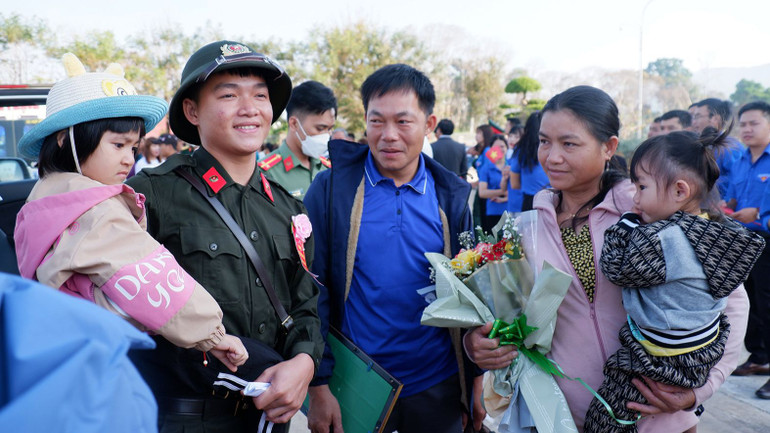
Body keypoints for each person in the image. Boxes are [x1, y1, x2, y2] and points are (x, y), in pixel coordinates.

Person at [465, 85, 749, 432]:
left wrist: (699, 391)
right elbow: (507, 317)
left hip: (658, 419)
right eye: (544, 141)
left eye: (569, 144)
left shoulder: (649, 208)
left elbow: (732, 301)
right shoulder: (525, 229)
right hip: (560, 419)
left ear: (609, 147)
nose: (552, 157)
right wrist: (479, 343)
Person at [126, 40, 324, 432]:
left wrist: (304, 362)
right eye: (229, 95)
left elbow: (305, 305)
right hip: (181, 419)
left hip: (268, 418)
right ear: (192, 111)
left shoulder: (288, 207)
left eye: (260, 96)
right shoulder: (153, 194)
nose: (250, 108)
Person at [14, 53, 247, 369]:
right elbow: (152, 278)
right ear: (65, 140)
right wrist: (212, 335)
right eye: (118, 145)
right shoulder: (96, 209)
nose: (129, 159)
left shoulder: (43, 199)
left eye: (133, 147)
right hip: (103, 354)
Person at [304, 63, 484, 433]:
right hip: (357, 383)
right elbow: (309, 288)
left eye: (403, 122)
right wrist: (319, 384)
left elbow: (473, 295)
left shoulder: (450, 198)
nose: (388, 135)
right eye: (377, 121)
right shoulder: (331, 190)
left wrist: (475, 379)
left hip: (437, 382)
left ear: (428, 124)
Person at [584, 130, 764, 432]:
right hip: (703, 352)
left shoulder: (666, 241)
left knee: (605, 418)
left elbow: (615, 267)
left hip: (659, 358)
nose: (635, 198)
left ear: (680, 191)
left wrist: (625, 224)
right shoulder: (715, 232)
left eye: (642, 187)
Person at [727, 101, 770, 399]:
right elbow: (733, 198)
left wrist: (757, 216)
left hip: (767, 239)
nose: (747, 129)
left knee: (768, 303)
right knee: (751, 299)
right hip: (744, 239)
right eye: (743, 124)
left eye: (754, 123)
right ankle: (759, 356)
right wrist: (726, 207)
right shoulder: (740, 159)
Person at [261, 80, 336, 199]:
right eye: (320, 128)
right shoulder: (266, 174)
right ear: (294, 124)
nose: (326, 135)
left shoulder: (329, 169)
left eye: (330, 129)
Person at [692, 98, 742, 197]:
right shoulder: (704, 144)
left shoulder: (729, 146)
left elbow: (736, 181)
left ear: (715, 118)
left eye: (698, 117)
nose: (694, 123)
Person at [504, 111, 549, 211]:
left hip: (529, 201)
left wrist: (529, 184)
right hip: (554, 199)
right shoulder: (554, 147)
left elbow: (514, 184)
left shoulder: (521, 150)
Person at [478, 134, 510, 230]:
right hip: (493, 211)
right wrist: (502, 192)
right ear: (491, 149)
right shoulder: (486, 168)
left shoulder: (512, 165)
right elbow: (482, 193)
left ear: (507, 148)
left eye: (502, 146)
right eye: (496, 147)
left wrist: (504, 197)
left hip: (511, 210)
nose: (499, 149)